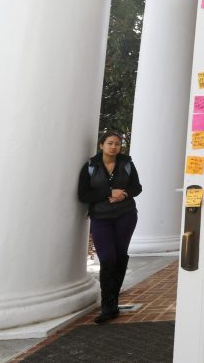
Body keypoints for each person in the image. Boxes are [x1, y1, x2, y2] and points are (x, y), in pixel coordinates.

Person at [78, 131, 142, 324]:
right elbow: (83, 195)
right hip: (101, 218)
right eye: (110, 143)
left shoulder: (127, 164)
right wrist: (108, 192)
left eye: (117, 144)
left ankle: (112, 304)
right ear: (101, 145)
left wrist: (124, 194)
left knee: (121, 256)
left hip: (126, 215)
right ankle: (107, 304)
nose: (114, 147)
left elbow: (137, 188)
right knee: (107, 258)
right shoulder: (90, 166)